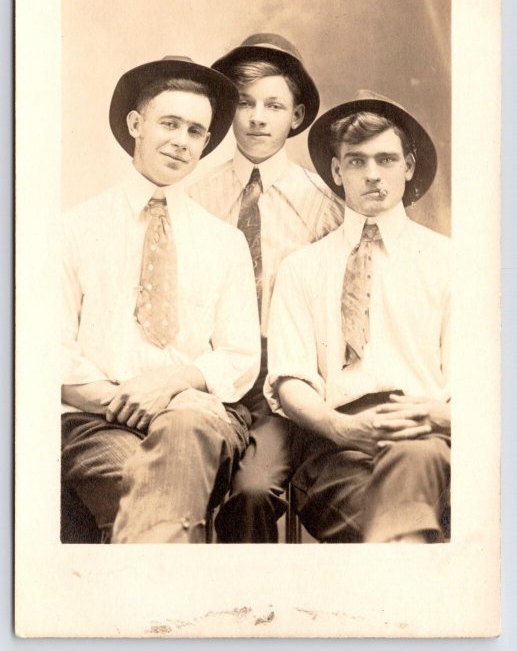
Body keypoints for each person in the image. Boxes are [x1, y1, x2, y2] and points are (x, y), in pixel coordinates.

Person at [61, 56, 261, 543]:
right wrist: (130, 401)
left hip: (202, 415)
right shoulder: (74, 229)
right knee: (150, 482)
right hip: (97, 420)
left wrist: (171, 384)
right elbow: (50, 352)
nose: (181, 141)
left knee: (184, 431)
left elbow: (239, 357)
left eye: (196, 131)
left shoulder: (223, 240)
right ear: (136, 124)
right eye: (169, 123)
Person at [265, 90, 451, 543]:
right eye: (356, 161)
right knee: (400, 533)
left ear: (408, 167)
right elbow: (290, 379)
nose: (372, 175)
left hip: (428, 434)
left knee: (416, 460)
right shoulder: (302, 268)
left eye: (386, 160)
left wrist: (436, 416)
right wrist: (341, 428)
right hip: (336, 446)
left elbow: (483, 383)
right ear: (336, 171)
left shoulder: (450, 261)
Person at [190, 33, 344, 542]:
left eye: (274, 105)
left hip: (283, 374)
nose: (257, 117)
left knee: (253, 490)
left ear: (296, 117)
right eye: (244, 102)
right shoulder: (198, 196)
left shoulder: (322, 203)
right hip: (214, 372)